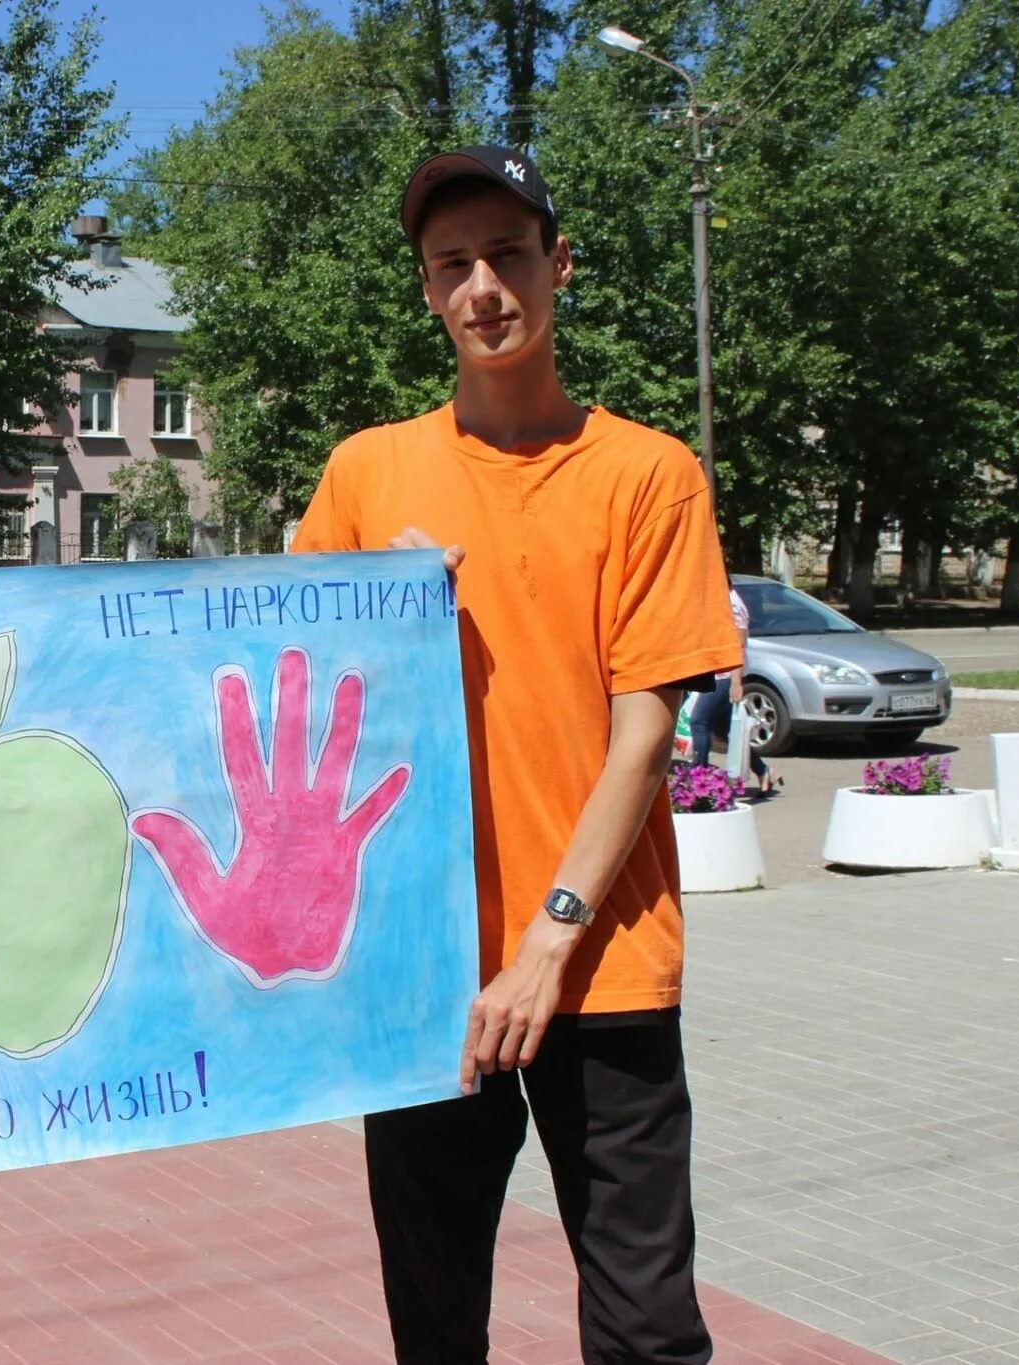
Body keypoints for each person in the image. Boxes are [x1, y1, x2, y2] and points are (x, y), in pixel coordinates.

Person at [288, 148, 740, 1362]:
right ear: (426, 292)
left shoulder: (646, 474)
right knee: (433, 1325)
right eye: (452, 264)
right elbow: (292, 685)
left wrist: (549, 938)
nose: (482, 285)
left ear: (557, 269)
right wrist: (371, 608)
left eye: (507, 255)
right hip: (422, 971)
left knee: (645, 1328)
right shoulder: (366, 474)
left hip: (598, 963)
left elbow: (644, 732)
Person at [688, 583, 777, 794]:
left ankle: (696, 779)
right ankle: (764, 770)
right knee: (723, 730)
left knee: (698, 721)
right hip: (716, 673)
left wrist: (736, 682)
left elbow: (738, 645)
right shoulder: (720, 601)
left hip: (725, 676)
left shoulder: (733, 605)